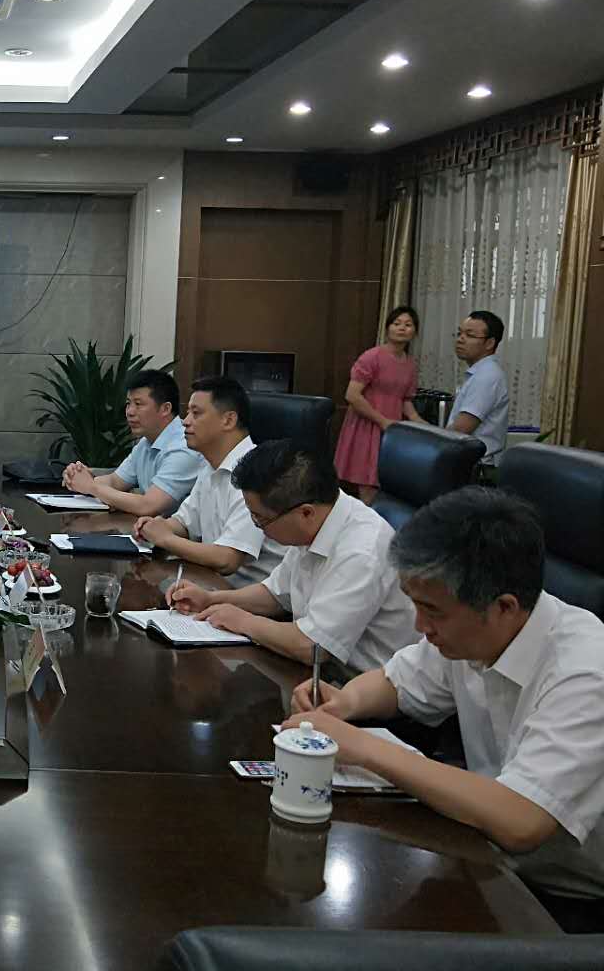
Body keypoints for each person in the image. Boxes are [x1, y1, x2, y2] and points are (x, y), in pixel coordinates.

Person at [285, 487, 604, 929]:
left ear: (504, 607)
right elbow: (397, 681)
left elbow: (521, 820)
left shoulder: (586, 670)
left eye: (431, 611)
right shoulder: (471, 629)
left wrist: (364, 747)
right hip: (485, 854)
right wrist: (344, 701)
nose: (420, 626)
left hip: (565, 901)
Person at [168, 440, 419, 673]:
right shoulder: (317, 520)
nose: (258, 527)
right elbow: (276, 594)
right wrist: (210, 599)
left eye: (261, 519)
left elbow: (312, 647)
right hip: (318, 672)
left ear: (306, 513)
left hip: (357, 684)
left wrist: (242, 621)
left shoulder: (361, 551)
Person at [133, 376, 284, 586]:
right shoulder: (210, 464)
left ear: (228, 420)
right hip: (212, 586)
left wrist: (165, 538)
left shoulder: (257, 472)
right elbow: (185, 523)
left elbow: (227, 559)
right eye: (188, 413)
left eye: (196, 413)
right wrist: (158, 526)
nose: (185, 421)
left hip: (251, 596)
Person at [61, 369, 202, 518]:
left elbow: (148, 506)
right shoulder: (146, 443)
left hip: (179, 532)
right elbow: (115, 481)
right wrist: (78, 477)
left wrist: (91, 486)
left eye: (138, 404)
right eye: (128, 403)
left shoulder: (184, 446)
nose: (130, 412)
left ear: (165, 409)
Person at [334, 306, 426, 503]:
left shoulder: (410, 364)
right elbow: (352, 395)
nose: (402, 328)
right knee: (368, 484)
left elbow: (405, 400)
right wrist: (382, 421)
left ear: (415, 332)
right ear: (387, 328)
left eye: (408, 325)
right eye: (396, 323)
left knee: (384, 483)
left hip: (392, 429)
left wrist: (421, 424)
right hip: (367, 425)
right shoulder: (372, 356)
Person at [447, 309, 510, 463]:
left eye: (469, 335)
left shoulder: (487, 376)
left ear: (489, 343)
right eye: (459, 333)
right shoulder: (481, 372)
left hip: (475, 467)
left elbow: (461, 430)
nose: (460, 339)